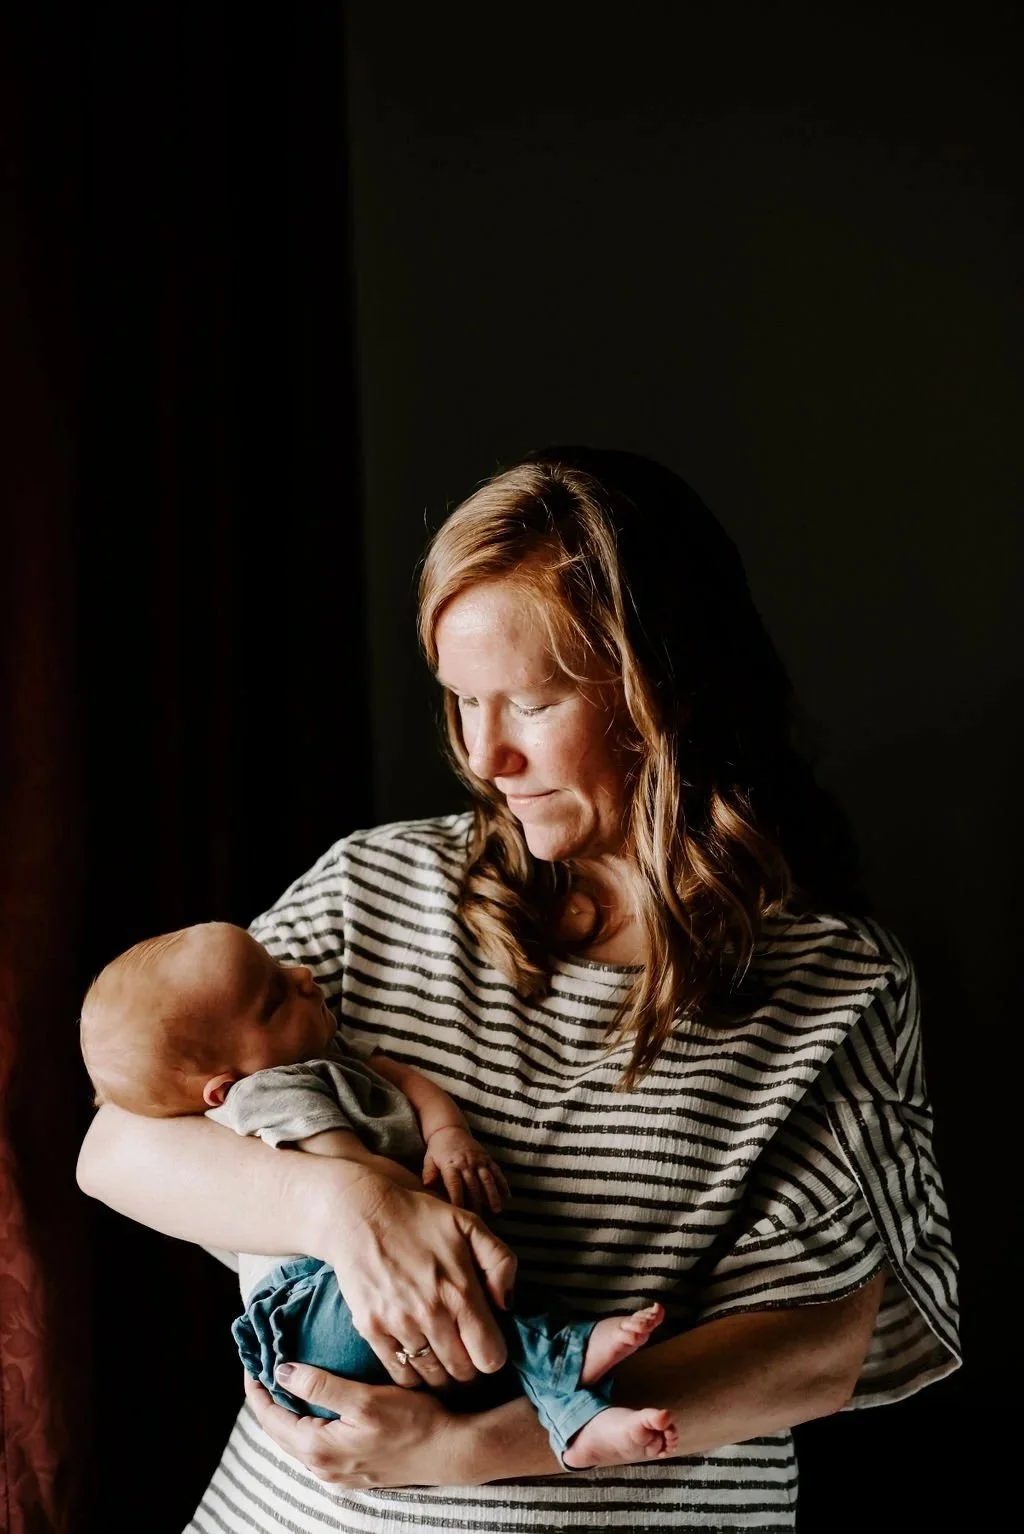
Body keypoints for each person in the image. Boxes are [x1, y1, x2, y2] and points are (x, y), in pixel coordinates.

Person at [76, 446, 960, 1531]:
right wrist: (344, 1202)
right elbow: (116, 1146)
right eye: (460, 702)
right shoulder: (376, 888)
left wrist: (468, 1449)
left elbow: (820, 1349)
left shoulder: (835, 986)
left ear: (663, 689)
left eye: (533, 702)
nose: (485, 755)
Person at [78, 920, 677, 1468]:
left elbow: (407, 1082)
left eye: (281, 967)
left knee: (488, 1302)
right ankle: (567, 1362)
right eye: (274, 997)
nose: (303, 976)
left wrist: (448, 1138)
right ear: (226, 1085)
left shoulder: (329, 1057)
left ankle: (576, 1420)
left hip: (365, 1315)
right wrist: (425, 1209)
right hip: (314, 1311)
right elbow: (360, 1180)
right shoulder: (272, 1093)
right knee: (482, 1285)